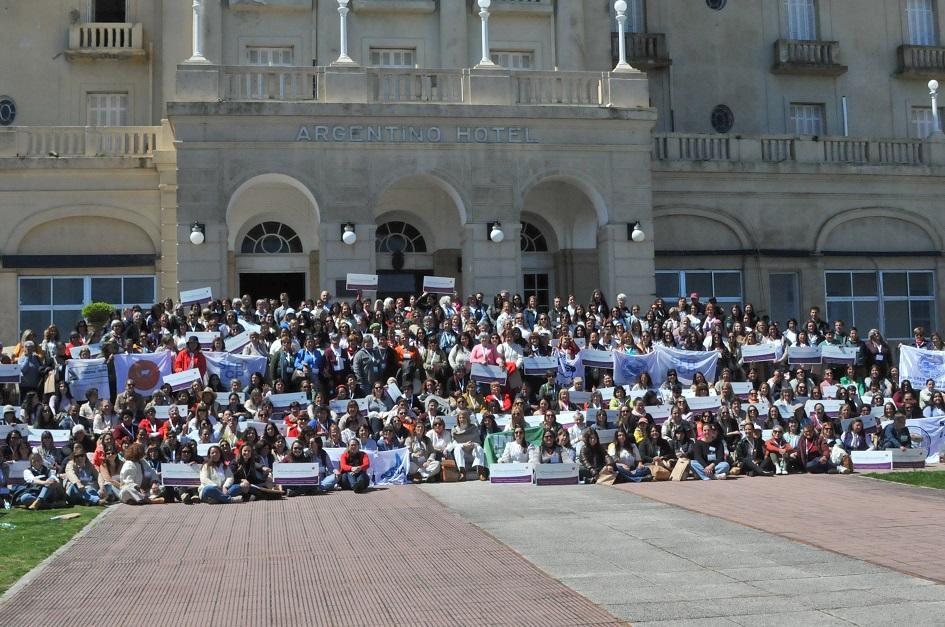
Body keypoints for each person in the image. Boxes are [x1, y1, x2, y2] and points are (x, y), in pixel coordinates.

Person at [448, 410, 487, 480]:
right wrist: (464, 445)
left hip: (472, 453)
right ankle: (462, 472)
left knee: (479, 448)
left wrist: (473, 444)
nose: (462, 419)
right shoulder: (454, 430)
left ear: (467, 419)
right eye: (460, 418)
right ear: (458, 419)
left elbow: (478, 442)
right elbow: (454, 444)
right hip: (463, 455)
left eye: (464, 418)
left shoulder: (473, 428)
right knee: (457, 449)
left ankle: (480, 471)